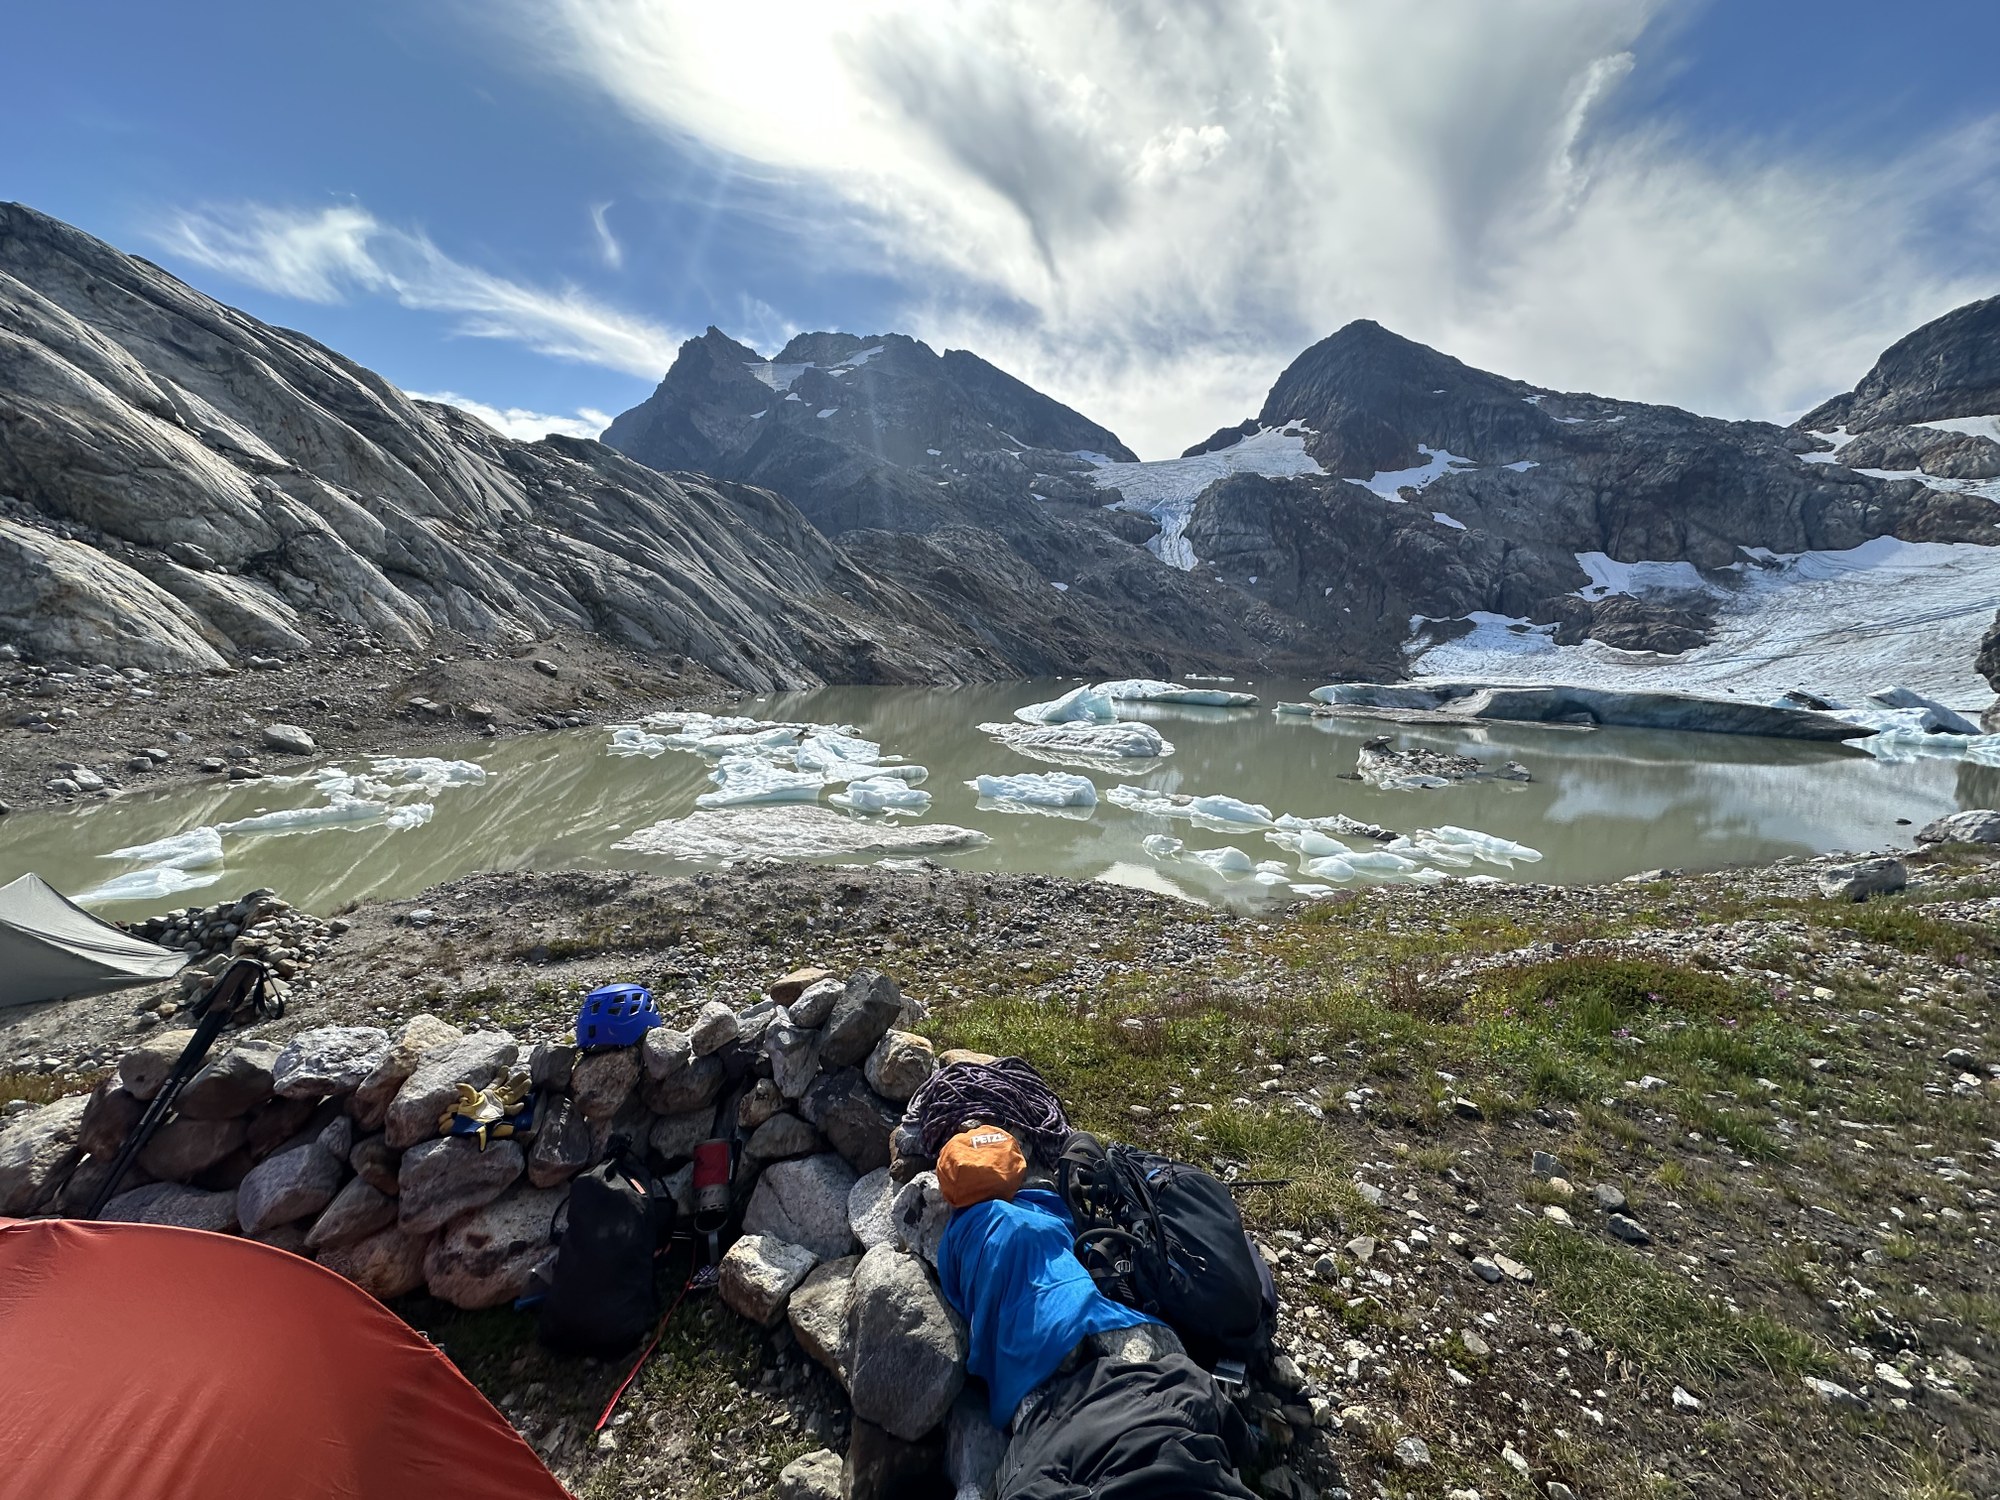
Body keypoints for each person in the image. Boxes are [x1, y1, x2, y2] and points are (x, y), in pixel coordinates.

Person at [932, 1125, 1256, 1500]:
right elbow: (1222, 1421)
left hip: (1081, 1409)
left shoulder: (962, 1235)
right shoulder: (1040, 1205)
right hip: (1116, 1360)